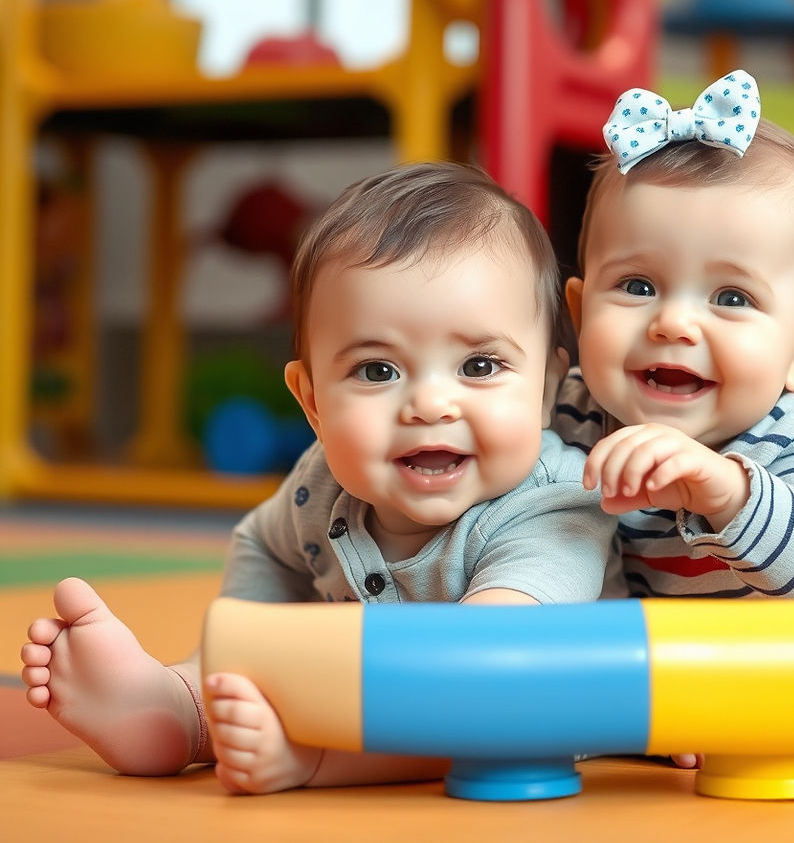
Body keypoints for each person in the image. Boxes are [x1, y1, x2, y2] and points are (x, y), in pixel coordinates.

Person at [22, 161, 625, 795]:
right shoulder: (320, 484)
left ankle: (318, 760)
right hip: (371, 689)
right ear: (312, 402)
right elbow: (265, 546)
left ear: (547, 388)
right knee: (243, 686)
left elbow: (483, 664)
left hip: (517, 703)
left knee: (491, 714)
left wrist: (319, 716)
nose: (429, 405)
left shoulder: (553, 505)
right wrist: (230, 664)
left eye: (479, 364)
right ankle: (171, 708)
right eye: (377, 372)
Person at [553, 70, 794, 603]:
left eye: (732, 298)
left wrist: (730, 492)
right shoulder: (565, 409)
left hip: (746, 680)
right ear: (581, 310)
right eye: (637, 286)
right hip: (615, 676)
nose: (675, 324)